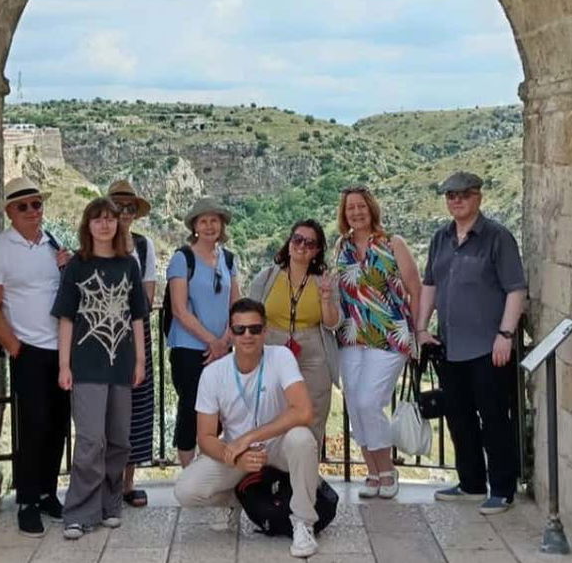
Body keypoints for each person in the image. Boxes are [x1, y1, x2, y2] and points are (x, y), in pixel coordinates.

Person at [173, 298, 322, 558]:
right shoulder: (213, 374)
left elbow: (304, 411)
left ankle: (303, 522)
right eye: (240, 330)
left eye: (254, 329)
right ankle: (234, 502)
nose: (247, 336)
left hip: (277, 444)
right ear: (230, 333)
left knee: (301, 438)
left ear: (265, 331)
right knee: (185, 490)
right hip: (236, 451)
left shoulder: (281, 357)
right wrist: (237, 456)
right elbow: (206, 437)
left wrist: (250, 437)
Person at [415, 172, 527, 515]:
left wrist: (505, 335)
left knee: (494, 418)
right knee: (459, 418)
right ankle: (471, 482)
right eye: (451, 195)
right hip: (450, 346)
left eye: (464, 195)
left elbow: (516, 289)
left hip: (488, 347)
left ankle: (502, 488)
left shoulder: (497, 237)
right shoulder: (440, 238)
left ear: (478, 197)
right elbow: (430, 285)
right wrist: (421, 328)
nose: (456, 201)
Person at [0, 177, 72, 537]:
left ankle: (48, 492)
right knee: (31, 427)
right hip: (29, 351)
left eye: (37, 204)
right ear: (9, 212)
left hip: (60, 351)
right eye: (24, 206)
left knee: (58, 424)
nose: (33, 211)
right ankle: (27, 500)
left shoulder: (52, 245)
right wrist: (15, 347)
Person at [52, 197, 149, 539]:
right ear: (88, 225)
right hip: (86, 365)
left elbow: (137, 317)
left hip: (121, 365)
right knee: (91, 440)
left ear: (117, 225)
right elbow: (66, 318)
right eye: (97, 219)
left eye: (110, 219)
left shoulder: (128, 266)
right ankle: (79, 511)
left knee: (119, 439)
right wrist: (64, 365)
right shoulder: (77, 266)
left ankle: (110, 505)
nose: (105, 225)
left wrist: (139, 360)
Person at [333, 186, 421, 499]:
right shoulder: (340, 247)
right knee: (355, 406)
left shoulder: (392, 243)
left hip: (388, 334)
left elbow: (415, 288)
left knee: (370, 401)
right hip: (351, 336)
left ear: (371, 209)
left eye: (361, 207)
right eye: (350, 208)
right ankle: (372, 471)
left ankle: (387, 469)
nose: (356, 212)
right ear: (344, 215)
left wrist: (419, 331)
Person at [248, 220, 341, 447]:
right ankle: (271, 475)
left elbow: (333, 323)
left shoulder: (324, 282)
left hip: (313, 354)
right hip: (272, 350)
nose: (302, 246)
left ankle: (306, 474)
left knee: (313, 414)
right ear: (289, 243)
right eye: (297, 239)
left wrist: (327, 300)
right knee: (270, 412)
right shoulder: (267, 277)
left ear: (317, 251)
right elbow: (251, 315)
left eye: (310, 243)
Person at [166, 197, 241, 467]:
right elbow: (179, 309)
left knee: (221, 411)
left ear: (222, 225)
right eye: (203, 221)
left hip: (223, 349)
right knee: (190, 410)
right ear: (194, 226)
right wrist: (214, 342)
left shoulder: (230, 260)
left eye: (214, 220)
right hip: (189, 350)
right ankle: (188, 473)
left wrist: (225, 341)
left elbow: (237, 306)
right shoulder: (182, 259)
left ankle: (210, 465)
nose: (209, 226)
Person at [105, 179, 158, 507]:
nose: (124, 213)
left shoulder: (143, 245)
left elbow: (148, 293)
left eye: (129, 207)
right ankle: (105, 483)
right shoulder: (96, 243)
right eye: (118, 206)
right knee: (104, 410)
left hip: (136, 334)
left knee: (137, 409)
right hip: (103, 339)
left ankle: (127, 484)